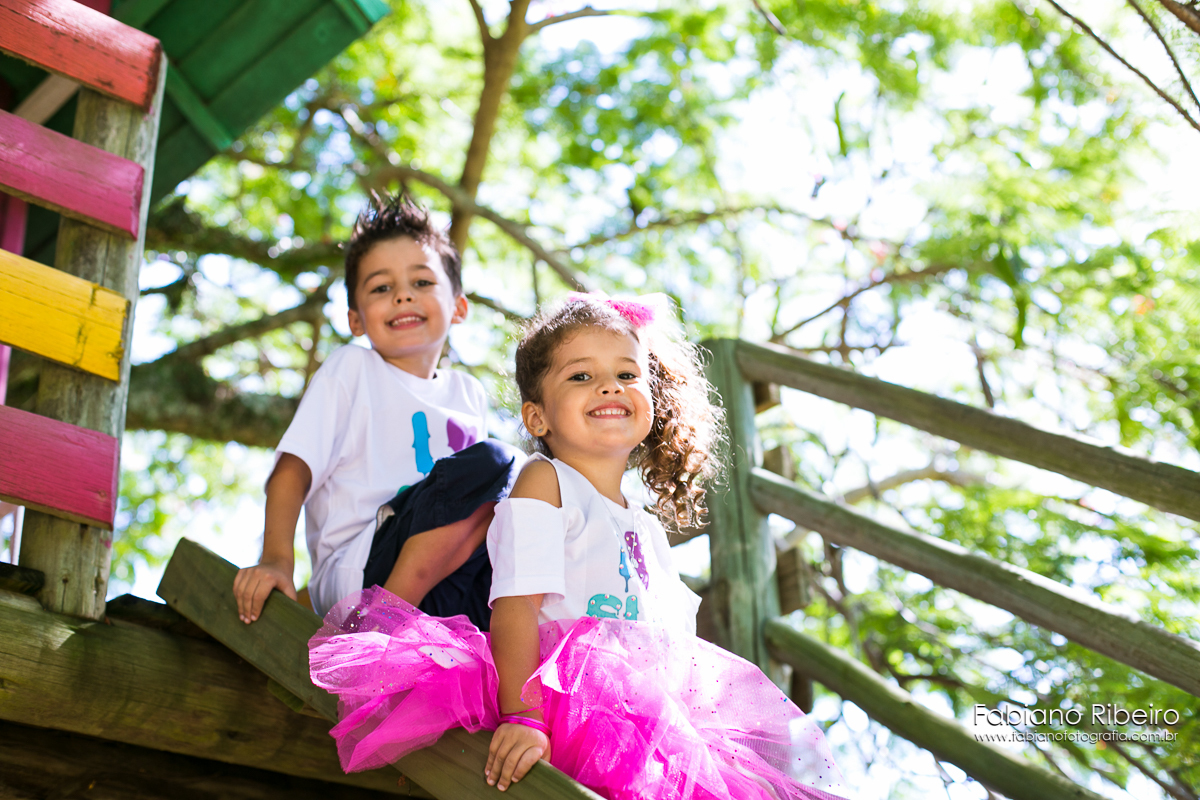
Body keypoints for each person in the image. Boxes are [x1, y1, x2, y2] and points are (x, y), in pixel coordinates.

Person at [309, 295, 850, 800]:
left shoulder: (648, 528)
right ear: (537, 417)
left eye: (627, 374)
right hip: (560, 701)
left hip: (648, 724)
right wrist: (523, 715)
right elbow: (516, 606)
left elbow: (673, 647)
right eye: (582, 376)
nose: (610, 387)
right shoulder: (546, 482)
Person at [233, 193, 522, 629]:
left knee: (528, 494)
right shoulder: (353, 369)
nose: (403, 296)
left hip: (443, 581)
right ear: (356, 320)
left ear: (459, 307)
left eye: (421, 282)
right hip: (364, 569)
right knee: (501, 460)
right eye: (381, 288)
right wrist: (276, 560)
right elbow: (292, 471)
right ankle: (379, 624)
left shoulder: (468, 393)